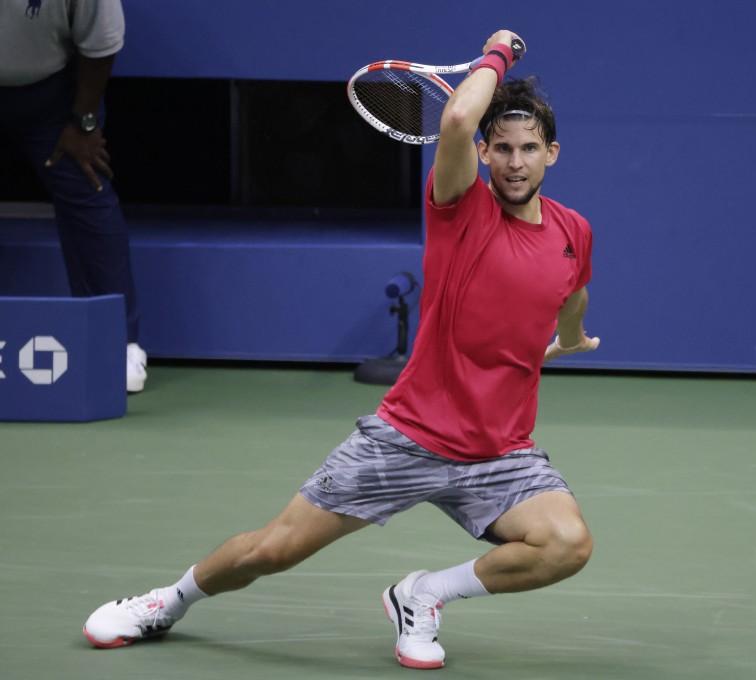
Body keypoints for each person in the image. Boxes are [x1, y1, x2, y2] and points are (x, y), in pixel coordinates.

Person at [82, 29, 599, 669]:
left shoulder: (574, 232)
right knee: (272, 550)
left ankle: (424, 595)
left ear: (552, 153)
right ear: (483, 154)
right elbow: (460, 115)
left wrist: (570, 338)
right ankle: (167, 601)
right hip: (408, 436)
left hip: (500, 451)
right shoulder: (461, 206)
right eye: (502, 149)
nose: (516, 162)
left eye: (529, 149)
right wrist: (498, 52)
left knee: (566, 544)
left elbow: (571, 291)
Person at [0, 0, 147, 392]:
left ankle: (116, 343)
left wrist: (84, 123)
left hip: (52, 96)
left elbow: (100, 42)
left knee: (87, 183)